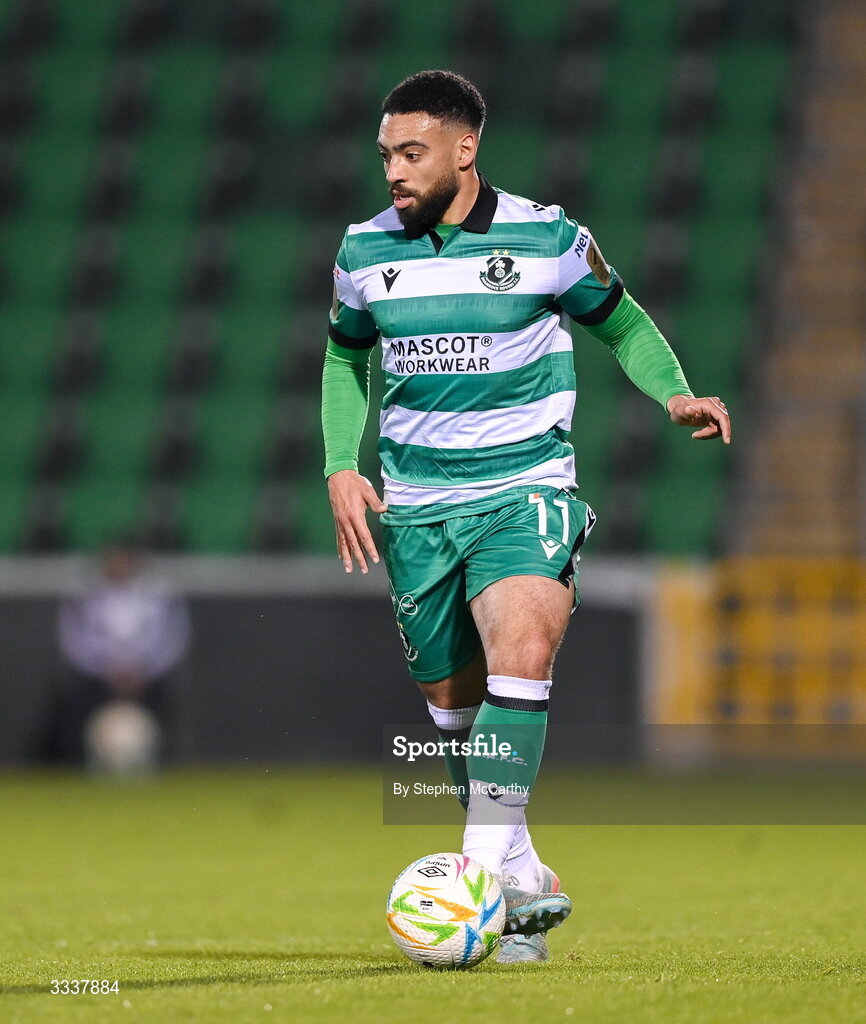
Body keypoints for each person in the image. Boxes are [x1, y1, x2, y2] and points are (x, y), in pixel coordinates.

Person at [321, 70, 730, 962]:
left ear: (465, 151)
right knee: (454, 712)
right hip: (420, 505)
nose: (393, 170)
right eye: (387, 153)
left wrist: (675, 392)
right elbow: (346, 361)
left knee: (523, 650)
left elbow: (620, 323)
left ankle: (474, 884)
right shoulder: (362, 252)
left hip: (525, 487)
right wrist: (338, 466)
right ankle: (523, 867)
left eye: (412, 153)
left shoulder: (548, 237)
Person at [40, 539, 191, 769]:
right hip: (97, 677)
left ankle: (165, 764)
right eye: (114, 561)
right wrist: (105, 668)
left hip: (147, 678)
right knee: (74, 705)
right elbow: (73, 639)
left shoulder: (157, 595)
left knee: (171, 703)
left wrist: (144, 668)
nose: (119, 566)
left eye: (124, 561)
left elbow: (172, 637)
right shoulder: (85, 596)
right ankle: (82, 765)